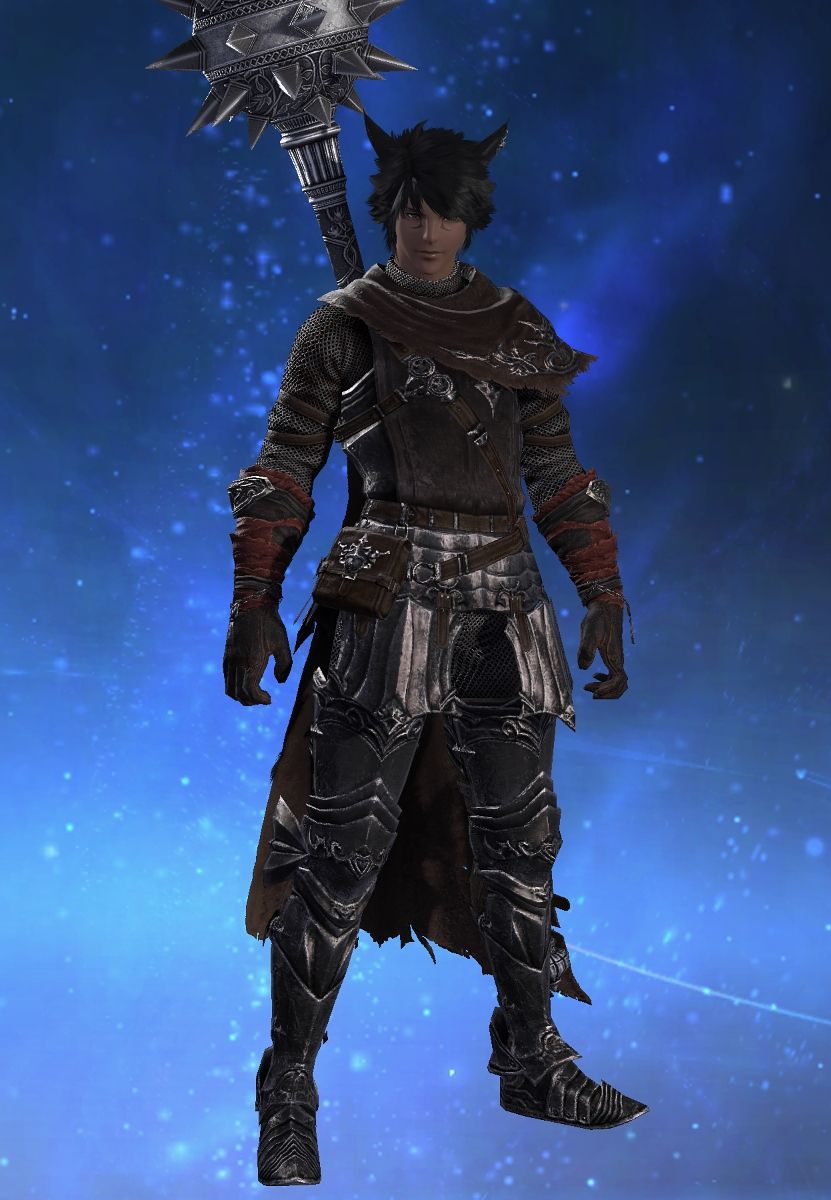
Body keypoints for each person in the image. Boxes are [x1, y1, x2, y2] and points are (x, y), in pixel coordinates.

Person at [223, 113, 648, 1187]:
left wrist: (601, 592)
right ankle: (288, 1094)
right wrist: (254, 601)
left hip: (505, 606)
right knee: (339, 857)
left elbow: (557, 476)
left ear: (470, 217)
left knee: (520, 846)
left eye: (442, 210)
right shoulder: (342, 326)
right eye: (408, 209)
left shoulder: (513, 328)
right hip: (382, 603)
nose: (423, 229)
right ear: (387, 213)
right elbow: (284, 467)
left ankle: (531, 1059)